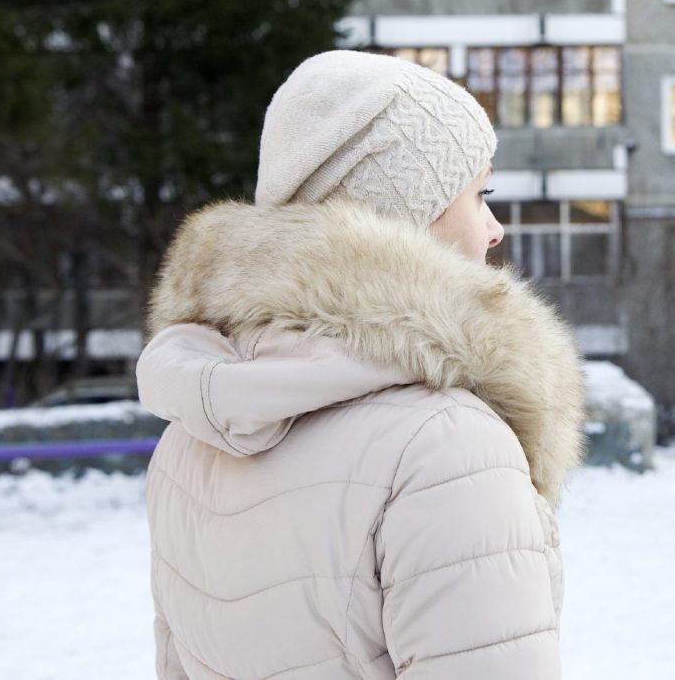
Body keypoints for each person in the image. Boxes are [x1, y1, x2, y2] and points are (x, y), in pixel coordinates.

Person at [136, 50, 586, 679]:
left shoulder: (193, 434)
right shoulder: (447, 447)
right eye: (479, 194)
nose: (494, 230)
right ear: (405, 216)